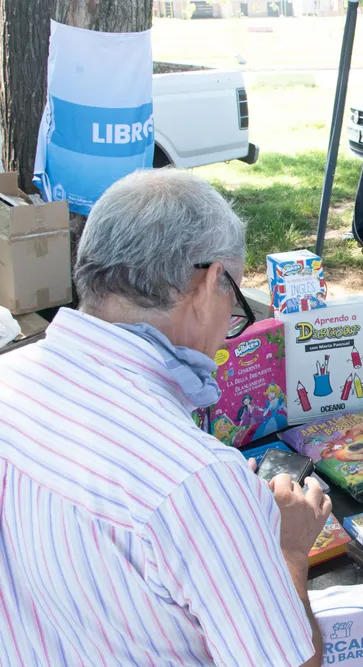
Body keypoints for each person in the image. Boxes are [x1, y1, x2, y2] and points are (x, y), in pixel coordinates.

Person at [0, 169, 331, 666]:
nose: (229, 328)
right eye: (235, 302)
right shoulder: (197, 481)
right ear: (209, 283)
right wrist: (287, 554)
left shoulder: (8, 377)